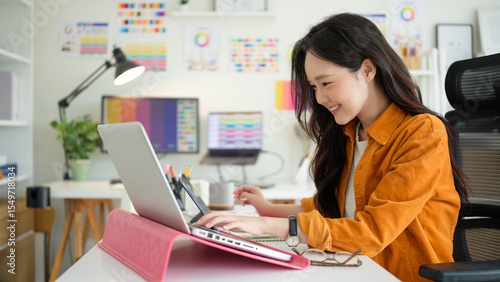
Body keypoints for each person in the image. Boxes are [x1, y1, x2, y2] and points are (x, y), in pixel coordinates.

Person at [194, 12, 469, 281]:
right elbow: (332, 207)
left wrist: (270, 226)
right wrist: (266, 210)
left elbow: (370, 232)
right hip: (354, 268)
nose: (320, 97)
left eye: (326, 83)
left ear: (367, 70)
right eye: (313, 87)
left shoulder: (422, 132)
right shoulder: (351, 132)